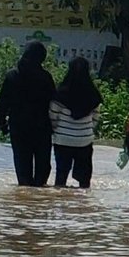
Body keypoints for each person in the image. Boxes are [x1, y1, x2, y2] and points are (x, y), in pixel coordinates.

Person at [0, 41, 56, 186]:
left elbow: (3, 103)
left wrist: (1, 123)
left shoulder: (13, 76)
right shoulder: (45, 77)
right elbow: (54, 103)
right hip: (42, 128)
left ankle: (24, 200)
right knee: (42, 166)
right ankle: (38, 200)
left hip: (19, 128)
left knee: (22, 165)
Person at [50, 56, 101, 188]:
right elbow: (96, 117)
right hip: (85, 140)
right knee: (84, 179)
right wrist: (87, 130)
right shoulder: (93, 94)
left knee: (61, 176)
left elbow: (53, 116)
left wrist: (57, 130)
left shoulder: (61, 93)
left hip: (63, 140)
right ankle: (82, 205)